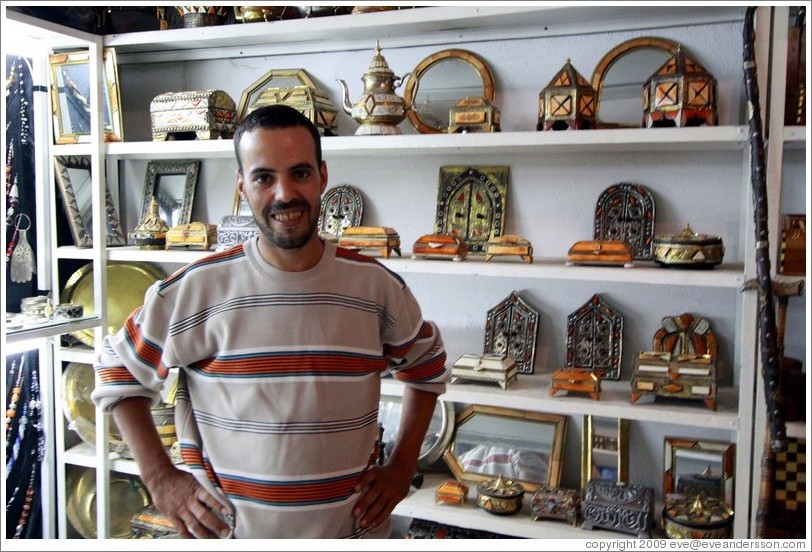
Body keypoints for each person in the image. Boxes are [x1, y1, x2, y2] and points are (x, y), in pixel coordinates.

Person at [91, 104, 449, 539]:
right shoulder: (198, 288)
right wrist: (161, 480)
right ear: (242, 186)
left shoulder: (375, 287)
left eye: (299, 173)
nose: (284, 193)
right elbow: (118, 368)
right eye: (264, 177)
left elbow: (427, 367)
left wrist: (401, 468)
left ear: (322, 177)